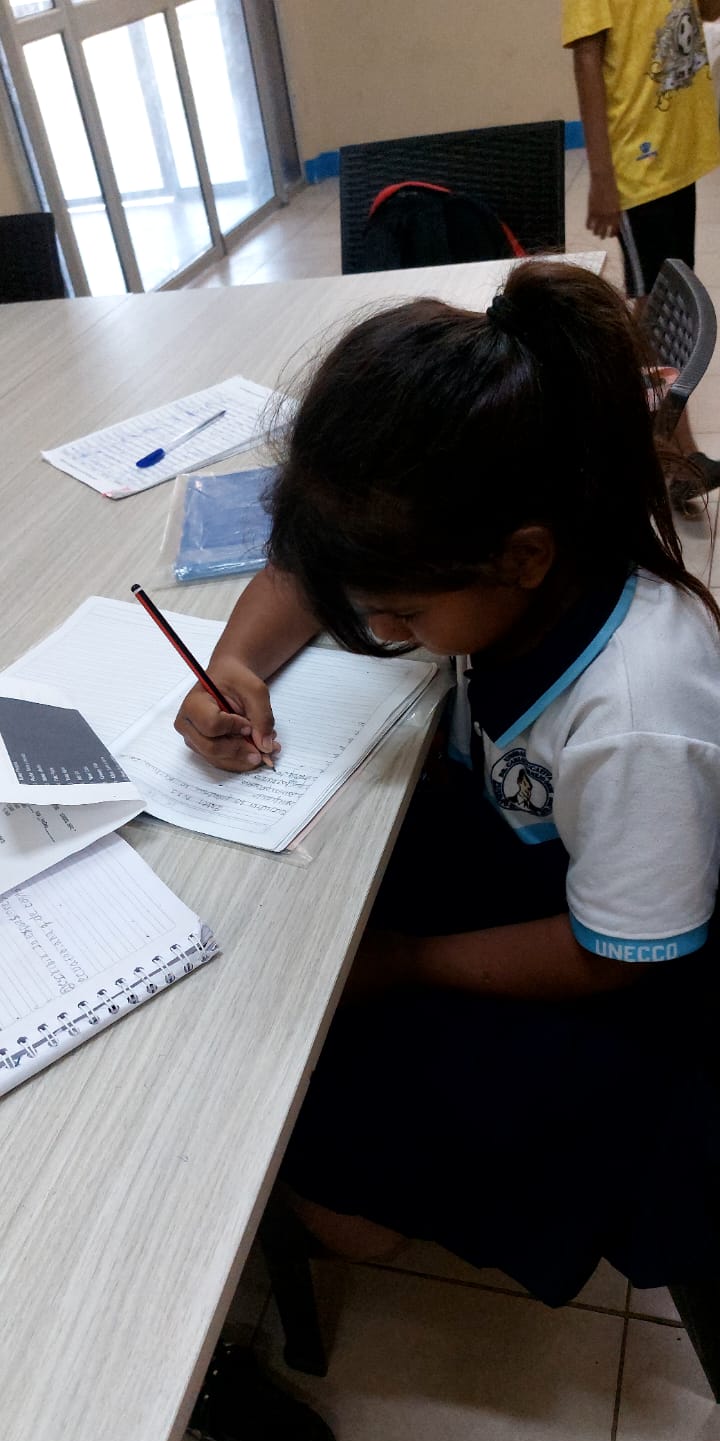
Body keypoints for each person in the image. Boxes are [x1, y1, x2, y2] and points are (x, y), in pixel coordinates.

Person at [176, 261, 720, 1312]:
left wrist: (410, 963)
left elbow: (614, 955)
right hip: (524, 852)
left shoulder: (637, 710)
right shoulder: (508, 543)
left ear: (521, 558)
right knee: (283, 933)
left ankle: (371, 1209)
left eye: (402, 617)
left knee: (310, 1100)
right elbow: (313, 575)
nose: (378, 629)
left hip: (624, 984)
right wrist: (232, 663)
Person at [563, 0, 720, 507]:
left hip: (678, 152)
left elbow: (711, 13)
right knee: (657, 303)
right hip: (638, 160)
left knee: (665, 296)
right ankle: (672, 452)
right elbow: (586, 59)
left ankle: (638, 428)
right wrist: (602, 177)